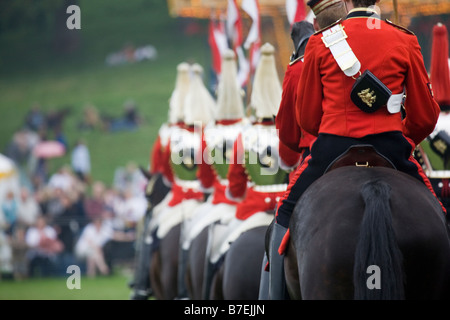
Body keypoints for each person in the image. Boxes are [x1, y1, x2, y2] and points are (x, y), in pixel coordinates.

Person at [269, 0, 444, 299]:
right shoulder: (405, 39)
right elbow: (426, 116)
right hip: (391, 148)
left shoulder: (321, 42)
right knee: (439, 215)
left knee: (282, 221)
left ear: (346, 1)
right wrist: (405, 138)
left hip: (332, 150)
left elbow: (308, 119)